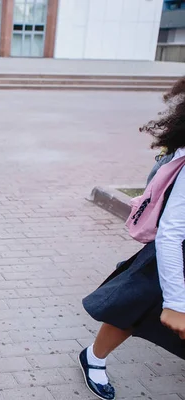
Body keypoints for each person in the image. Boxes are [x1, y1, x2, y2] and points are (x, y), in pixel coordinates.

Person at [80, 77, 185, 400]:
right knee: (132, 305)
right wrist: (177, 302)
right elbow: (171, 231)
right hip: (174, 255)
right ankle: (94, 357)